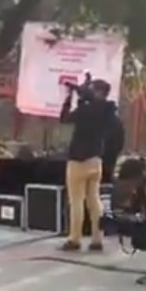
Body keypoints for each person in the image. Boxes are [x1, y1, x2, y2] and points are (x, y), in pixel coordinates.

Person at [59, 78, 116, 251]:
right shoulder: (108, 110)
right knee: (94, 200)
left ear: (97, 91)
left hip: (78, 159)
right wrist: (84, 97)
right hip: (96, 159)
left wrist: (70, 98)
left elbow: (65, 118)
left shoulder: (86, 109)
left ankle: (74, 239)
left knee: (76, 201)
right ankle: (97, 239)